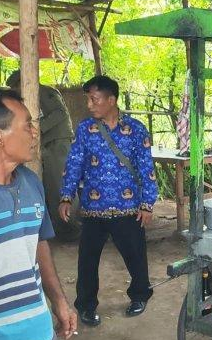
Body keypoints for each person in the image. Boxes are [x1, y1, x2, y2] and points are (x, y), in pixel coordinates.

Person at [58, 76, 158, 326]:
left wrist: (147, 204)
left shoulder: (136, 129)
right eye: (88, 99)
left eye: (94, 99)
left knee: (135, 255)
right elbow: (74, 164)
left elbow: (146, 167)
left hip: (129, 208)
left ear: (111, 100)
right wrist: (66, 196)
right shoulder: (84, 129)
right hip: (93, 210)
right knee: (87, 261)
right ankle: (86, 306)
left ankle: (140, 295)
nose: (90, 105)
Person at [0, 89, 77, 339]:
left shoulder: (31, 182)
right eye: (27, 125)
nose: (35, 132)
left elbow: (38, 242)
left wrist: (58, 300)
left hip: (39, 328)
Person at [6, 70, 79, 241]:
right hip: (47, 144)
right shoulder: (30, 96)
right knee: (50, 187)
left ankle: (72, 226)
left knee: (60, 185)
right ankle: (61, 227)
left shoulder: (45, 92)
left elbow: (60, 114)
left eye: (15, 87)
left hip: (58, 143)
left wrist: (37, 129)